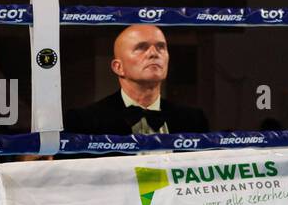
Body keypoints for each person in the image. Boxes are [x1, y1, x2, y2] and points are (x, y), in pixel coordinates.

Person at [65, 24, 209, 135]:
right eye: (141, 47)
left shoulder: (193, 120)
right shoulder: (83, 121)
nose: (154, 53)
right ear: (118, 67)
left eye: (161, 47)